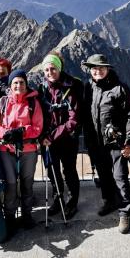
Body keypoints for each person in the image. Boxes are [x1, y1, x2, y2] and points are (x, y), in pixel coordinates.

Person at [82, 54, 130, 234]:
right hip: (96, 142)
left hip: (116, 143)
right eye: (94, 68)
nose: (97, 71)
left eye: (101, 68)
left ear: (107, 69)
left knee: (120, 177)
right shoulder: (88, 87)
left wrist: (128, 142)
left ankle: (125, 212)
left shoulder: (120, 89)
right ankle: (109, 201)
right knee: (104, 174)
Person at [0, 69, 43, 234]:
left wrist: (21, 131)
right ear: (10, 85)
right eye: (15, 82)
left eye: (21, 82)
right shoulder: (3, 103)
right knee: (11, 185)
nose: (18, 85)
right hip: (7, 149)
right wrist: (4, 133)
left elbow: (38, 127)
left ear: (26, 84)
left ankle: (27, 215)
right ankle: (10, 217)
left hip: (28, 149)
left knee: (27, 184)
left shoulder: (33, 103)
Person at [39, 51, 83, 220]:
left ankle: (72, 203)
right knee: (52, 171)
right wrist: (42, 136)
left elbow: (74, 119)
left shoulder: (71, 88)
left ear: (59, 68)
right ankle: (58, 200)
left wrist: (51, 136)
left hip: (66, 139)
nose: (50, 73)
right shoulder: (42, 89)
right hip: (47, 140)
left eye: (53, 69)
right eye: (47, 70)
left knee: (69, 170)